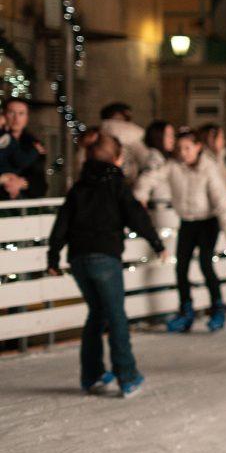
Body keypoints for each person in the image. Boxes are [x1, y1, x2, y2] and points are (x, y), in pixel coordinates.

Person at [46, 134, 167, 398]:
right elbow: (136, 216)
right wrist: (157, 243)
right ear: (117, 158)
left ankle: (93, 375)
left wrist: (53, 256)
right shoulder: (116, 185)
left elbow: (62, 224)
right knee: (115, 316)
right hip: (105, 257)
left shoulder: (78, 188)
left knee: (97, 314)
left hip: (79, 260)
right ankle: (127, 375)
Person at [135, 129, 226, 334]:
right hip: (187, 223)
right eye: (179, 148)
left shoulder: (208, 168)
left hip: (207, 222)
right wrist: (141, 194)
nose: (183, 152)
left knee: (205, 265)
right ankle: (186, 310)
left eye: (187, 148)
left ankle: (217, 308)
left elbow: (220, 198)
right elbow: (151, 178)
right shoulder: (173, 167)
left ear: (198, 147)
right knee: (180, 267)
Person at [0, 97, 47, 199]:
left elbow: (40, 184)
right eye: (11, 113)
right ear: (3, 115)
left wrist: (20, 183)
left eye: (21, 114)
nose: (16, 119)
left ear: (27, 118)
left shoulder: (34, 145)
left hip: (22, 202)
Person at [138, 120, 177, 231]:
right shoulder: (154, 161)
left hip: (165, 212)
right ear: (158, 137)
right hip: (162, 213)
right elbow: (146, 180)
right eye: (169, 135)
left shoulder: (164, 159)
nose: (172, 139)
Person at [99, 102, 148, 184]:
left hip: (100, 179)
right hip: (127, 178)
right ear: (117, 114)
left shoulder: (97, 132)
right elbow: (144, 158)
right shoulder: (135, 132)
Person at [197, 123, 226, 195]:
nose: (224, 141)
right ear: (210, 139)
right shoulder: (203, 160)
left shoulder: (220, 159)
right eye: (221, 137)